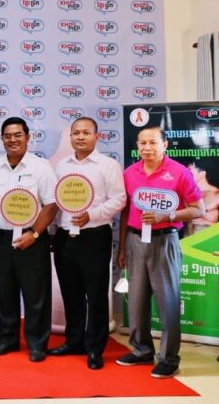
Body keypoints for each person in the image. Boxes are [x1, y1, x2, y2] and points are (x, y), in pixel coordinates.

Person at [116, 125, 205, 378]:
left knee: (168, 303)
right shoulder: (130, 173)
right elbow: (125, 212)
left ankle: (169, 358)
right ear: (137, 146)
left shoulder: (179, 172)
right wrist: (122, 246)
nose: (147, 148)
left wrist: (167, 215)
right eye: (142, 143)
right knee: (136, 303)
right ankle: (142, 350)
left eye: (153, 143)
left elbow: (198, 209)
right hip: (135, 241)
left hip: (164, 241)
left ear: (164, 145)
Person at [50, 117, 126, 369]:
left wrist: (91, 215)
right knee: (70, 293)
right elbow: (56, 200)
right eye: (76, 133)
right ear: (70, 137)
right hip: (64, 237)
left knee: (96, 295)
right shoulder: (62, 165)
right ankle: (74, 341)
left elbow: (119, 199)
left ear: (97, 136)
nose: (80, 137)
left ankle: (95, 348)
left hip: (94, 236)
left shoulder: (108, 165)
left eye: (86, 133)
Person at [0, 116, 57, 362]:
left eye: (17, 135)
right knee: (3, 291)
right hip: (0, 238)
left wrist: (34, 233)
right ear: (1, 138)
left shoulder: (40, 167)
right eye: (7, 136)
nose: (12, 139)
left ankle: (37, 343)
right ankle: (7, 339)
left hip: (32, 237)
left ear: (27, 137)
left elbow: (51, 204)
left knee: (36, 294)